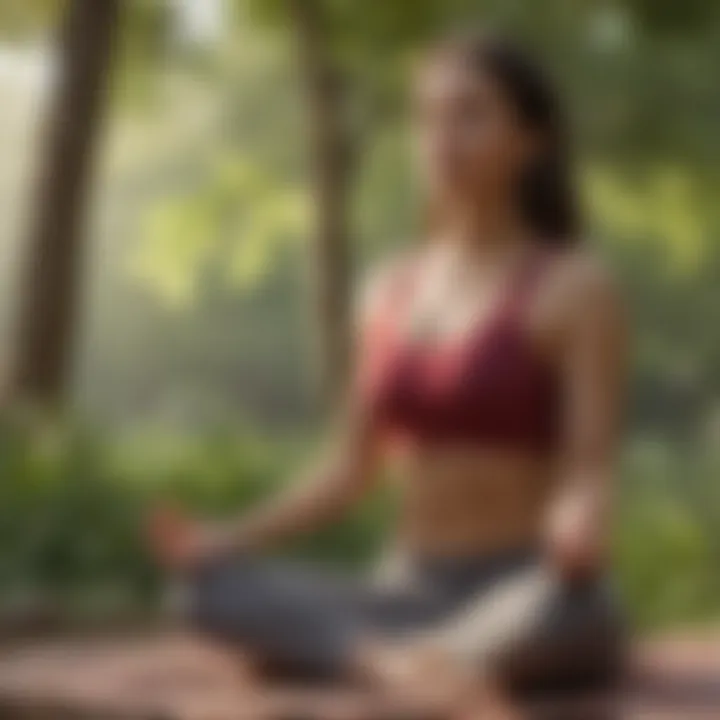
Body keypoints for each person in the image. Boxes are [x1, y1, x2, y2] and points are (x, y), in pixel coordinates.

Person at [149, 30, 628, 707]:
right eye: (428, 116)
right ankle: (398, 664)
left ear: (532, 139)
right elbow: (348, 471)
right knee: (205, 591)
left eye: (470, 114)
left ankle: (406, 660)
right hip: (403, 593)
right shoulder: (387, 289)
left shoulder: (576, 286)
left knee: (581, 608)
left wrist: (580, 522)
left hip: (523, 586)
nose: (441, 137)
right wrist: (227, 535)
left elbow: (588, 465)